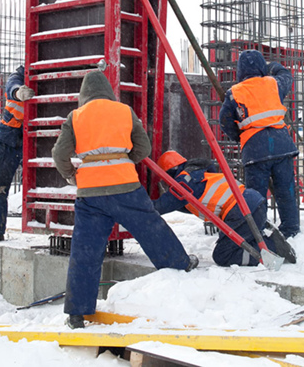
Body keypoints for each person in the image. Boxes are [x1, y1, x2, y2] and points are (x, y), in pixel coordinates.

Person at [52, 70, 198, 329]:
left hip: (90, 195)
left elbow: (59, 153)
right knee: (151, 227)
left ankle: (77, 312)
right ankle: (180, 264)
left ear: (84, 95)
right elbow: (143, 148)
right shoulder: (124, 111)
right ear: (108, 91)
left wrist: (72, 176)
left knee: (85, 250)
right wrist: (121, 162)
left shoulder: (75, 117)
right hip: (125, 186)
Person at [153, 150, 296, 267]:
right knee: (236, 241)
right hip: (252, 204)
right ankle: (262, 235)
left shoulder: (185, 182)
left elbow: (164, 205)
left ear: (170, 172)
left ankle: (272, 247)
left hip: (240, 212)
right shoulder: (198, 176)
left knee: (222, 255)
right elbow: (182, 204)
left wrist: (142, 207)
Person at [219, 50, 301, 238]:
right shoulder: (274, 84)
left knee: (256, 196)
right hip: (282, 146)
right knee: (286, 191)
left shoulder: (234, 93)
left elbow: (225, 121)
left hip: (255, 150)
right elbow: (287, 75)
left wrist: (241, 136)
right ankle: (291, 229)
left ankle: (258, 230)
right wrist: (272, 67)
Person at [0, 65, 35, 243]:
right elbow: (12, 84)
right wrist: (18, 92)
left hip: (33, 138)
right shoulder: (20, 75)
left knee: (36, 185)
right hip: (9, 139)